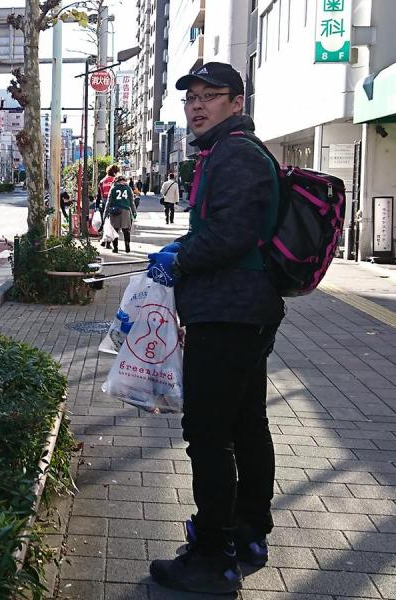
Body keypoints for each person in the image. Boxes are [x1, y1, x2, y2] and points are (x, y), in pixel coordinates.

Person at [145, 62, 284, 595]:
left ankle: (212, 555)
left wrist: (178, 261)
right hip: (241, 312)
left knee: (207, 433)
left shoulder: (235, 155)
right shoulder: (225, 153)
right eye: (191, 98)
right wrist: (182, 247)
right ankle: (248, 533)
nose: (197, 105)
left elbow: (230, 235)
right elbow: (226, 229)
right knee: (246, 424)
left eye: (211, 96)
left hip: (229, 313)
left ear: (237, 103)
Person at [103, 174, 135, 254]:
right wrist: (134, 212)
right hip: (126, 211)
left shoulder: (113, 188)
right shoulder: (128, 188)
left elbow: (108, 202)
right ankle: (127, 247)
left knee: (115, 230)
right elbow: (132, 202)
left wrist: (105, 213)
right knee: (126, 230)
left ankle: (115, 248)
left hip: (115, 211)